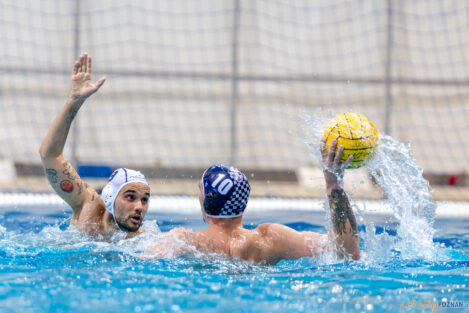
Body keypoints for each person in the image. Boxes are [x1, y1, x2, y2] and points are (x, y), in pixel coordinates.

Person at [142, 140, 360, 264]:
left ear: (208, 199)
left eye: (200, 190)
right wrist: (333, 184)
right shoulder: (272, 238)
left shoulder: (184, 240)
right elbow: (347, 253)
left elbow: (137, 262)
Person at [39, 53, 150, 238]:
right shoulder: (88, 207)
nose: (139, 207)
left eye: (145, 200)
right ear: (109, 199)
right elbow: (49, 154)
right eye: (130, 197)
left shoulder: (142, 240)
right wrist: (75, 100)